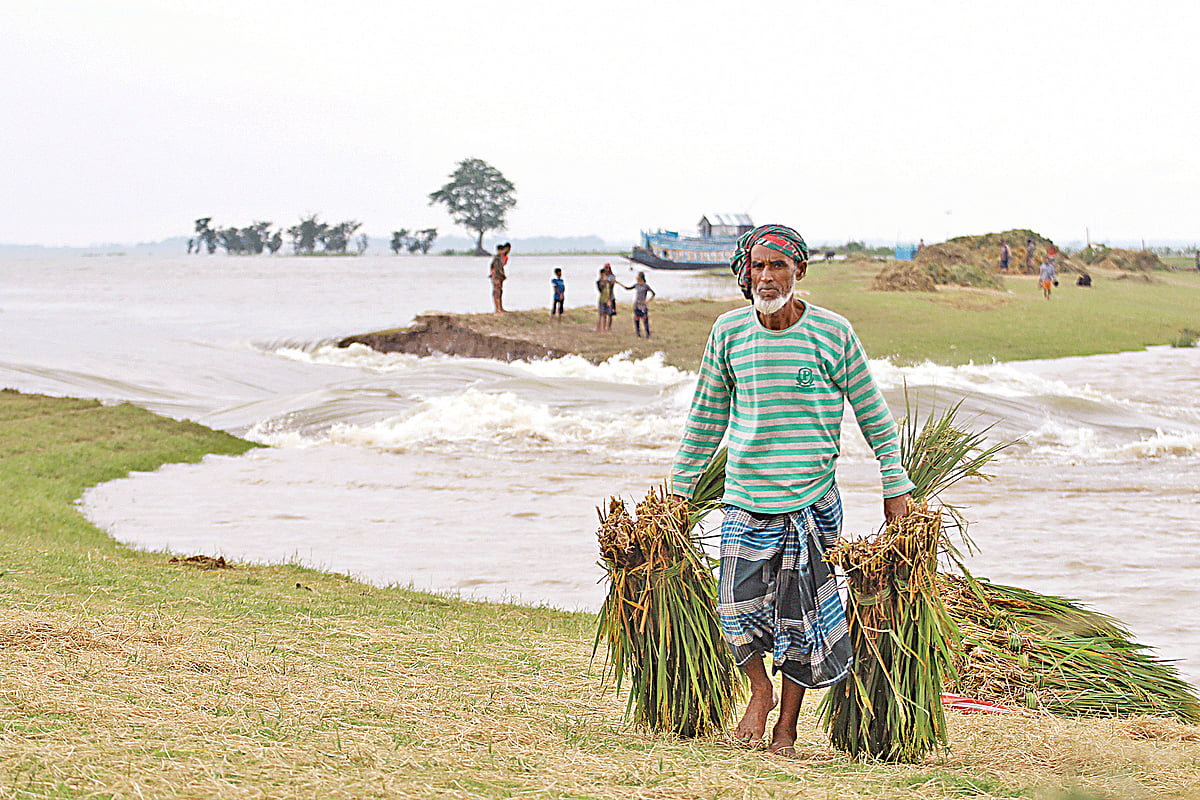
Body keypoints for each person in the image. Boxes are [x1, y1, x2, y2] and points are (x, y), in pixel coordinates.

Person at [670, 223, 914, 757]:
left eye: (777, 265)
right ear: (746, 273)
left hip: (813, 501)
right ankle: (758, 688)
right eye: (757, 266)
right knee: (734, 607)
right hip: (745, 497)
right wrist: (678, 492)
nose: (766, 276)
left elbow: (873, 414)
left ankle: (786, 724)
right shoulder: (728, 333)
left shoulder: (833, 333)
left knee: (801, 619)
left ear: (799, 271)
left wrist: (895, 482)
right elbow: (706, 418)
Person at [629, 271, 656, 337]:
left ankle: (648, 334)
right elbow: (628, 288)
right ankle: (638, 334)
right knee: (636, 319)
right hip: (637, 304)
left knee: (645, 319)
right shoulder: (636, 285)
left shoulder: (645, 286)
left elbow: (653, 294)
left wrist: (647, 301)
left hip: (643, 305)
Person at [489, 243, 511, 313]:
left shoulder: (503, 257)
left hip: (499, 276)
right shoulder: (498, 258)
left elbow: (500, 268)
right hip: (496, 276)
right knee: (496, 292)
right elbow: (495, 267)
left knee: (500, 292)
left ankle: (500, 308)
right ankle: (497, 309)